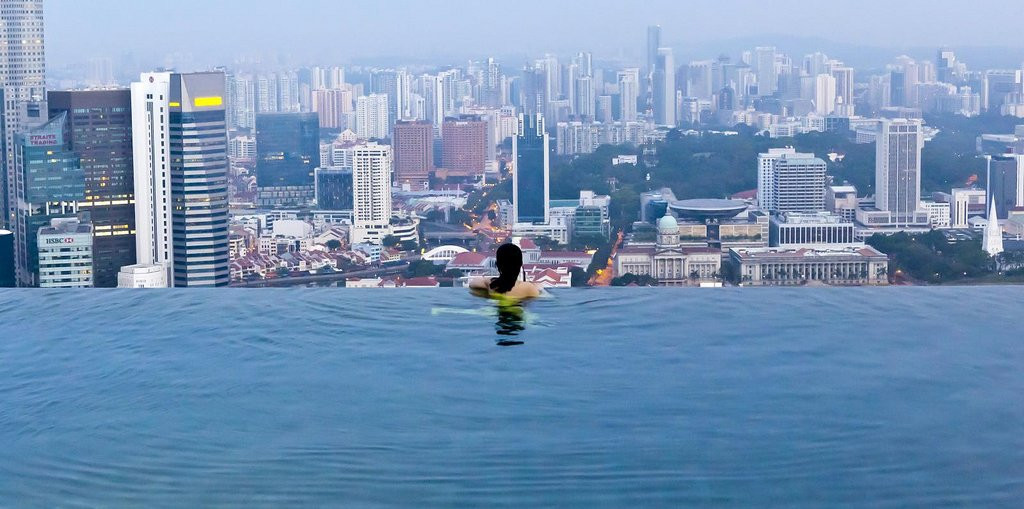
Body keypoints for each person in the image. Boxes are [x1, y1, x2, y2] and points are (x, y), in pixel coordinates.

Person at [469, 243, 541, 300]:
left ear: (497, 264)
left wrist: (491, 280)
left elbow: (472, 284)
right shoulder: (529, 288)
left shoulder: (491, 285)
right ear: (520, 264)